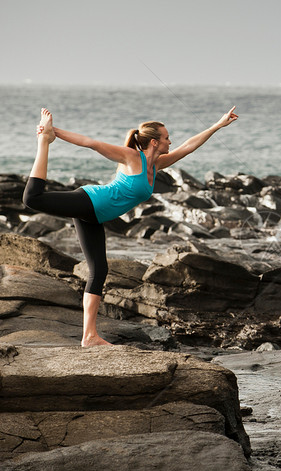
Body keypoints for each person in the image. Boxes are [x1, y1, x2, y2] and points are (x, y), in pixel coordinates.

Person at [23, 106, 238, 347]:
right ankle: (43, 142)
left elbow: (189, 146)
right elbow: (90, 143)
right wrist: (52, 132)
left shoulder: (156, 166)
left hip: (94, 217)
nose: (171, 141)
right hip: (89, 200)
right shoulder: (131, 157)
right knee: (32, 199)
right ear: (155, 142)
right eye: (167, 137)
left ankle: (89, 336)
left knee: (99, 271)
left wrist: (218, 125)